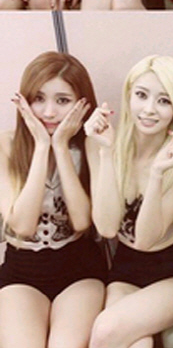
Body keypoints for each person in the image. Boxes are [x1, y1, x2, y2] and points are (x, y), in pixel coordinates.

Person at [85, 55, 173, 348]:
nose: (149, 109)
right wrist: (106, 153)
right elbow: (106, 228)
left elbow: (145, 240)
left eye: (164, 101)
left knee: (106, 330)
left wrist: (156, 175)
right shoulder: (100, 143)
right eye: (141, 95)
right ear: (128, 96)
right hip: (127, 267)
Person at [0, 51, 106, 348]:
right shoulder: (6, 145)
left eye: (62, 100)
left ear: (82, 104)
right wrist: (41, 148)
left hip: (79, 268)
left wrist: (60, 147)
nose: (48, 112)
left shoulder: (92, 146)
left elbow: (82, 222)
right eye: (39, 99)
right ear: (25, 101)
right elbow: (22, 226)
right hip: (22, 270)